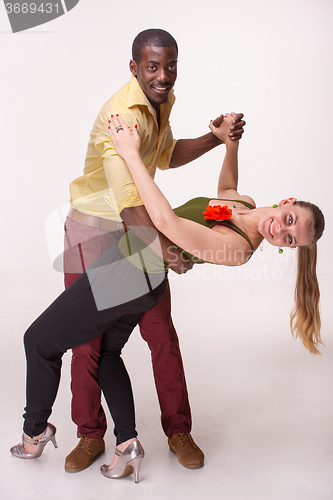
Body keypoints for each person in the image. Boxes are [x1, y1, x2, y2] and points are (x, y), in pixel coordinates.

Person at [11, 113, 324, 484]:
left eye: (290, 239)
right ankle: (127, 445)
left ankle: (34, 435)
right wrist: (229, 143)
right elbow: (225, 189)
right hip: (141, 273)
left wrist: (129, 154)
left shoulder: (239, 248)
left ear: (287, 249)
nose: (281, 231)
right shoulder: (244, 206)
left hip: (130, 271)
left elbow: (167, 223)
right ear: (286, 202)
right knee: (107, 354)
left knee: (38, 341)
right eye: (289, 220)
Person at [63, 28, 246, 472]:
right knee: (87, 343)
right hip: (94, 233)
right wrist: (172, 252)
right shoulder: (120, 117)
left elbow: (164, 156)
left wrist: (216, 139)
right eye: (152, 67)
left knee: (160, 332)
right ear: (134, 68)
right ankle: (90, 435)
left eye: (170, 66)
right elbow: (130, 208)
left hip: (136, 228)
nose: (163, 76)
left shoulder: (159, 102)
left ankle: (179, 430)